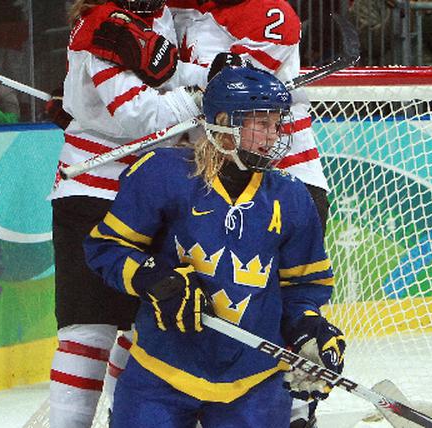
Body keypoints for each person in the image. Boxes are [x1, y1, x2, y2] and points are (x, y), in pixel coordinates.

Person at [83, 65, 345, 428]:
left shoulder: (292, 197)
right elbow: (106, 248)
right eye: (260, 124)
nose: (272, 137)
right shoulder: (163, 173)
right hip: (162, 371)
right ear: (223, 122)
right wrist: (152, 278)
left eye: (276, 125)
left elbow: (303, 288)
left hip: (253, 379)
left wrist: (308, 330)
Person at [166, 3, 333, 425]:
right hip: (213, 184)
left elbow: (233, 92)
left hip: (282, 181)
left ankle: (297, 411)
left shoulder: (264, 10)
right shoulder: (176, 17)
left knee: (281, 308)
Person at [46, 0, 210, 425]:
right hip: (92, 195)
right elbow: (142, 117)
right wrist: (205, 96)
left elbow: (167, 71)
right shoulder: (103, 25)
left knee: (147, 327)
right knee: (88, 333)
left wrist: (217, 74)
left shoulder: (160, 15)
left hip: (151, 194)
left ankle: (127, 418)